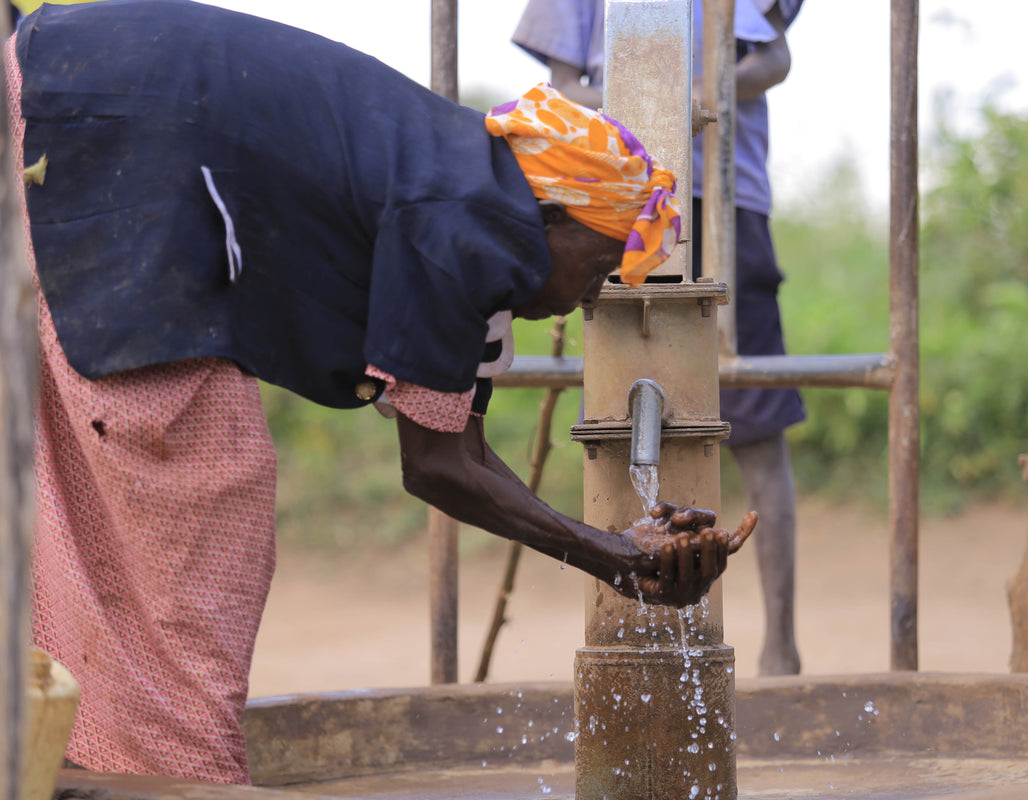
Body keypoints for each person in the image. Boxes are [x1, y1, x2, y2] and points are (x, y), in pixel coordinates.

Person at [8, 0, 758, 785]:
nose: (584, 299)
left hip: (80, 87)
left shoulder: (483, 209)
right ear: (551, 218)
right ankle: (179, 775)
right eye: (596, 269)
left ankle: (76, 751)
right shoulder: (467, 221)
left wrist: (617, 551)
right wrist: (611, 556)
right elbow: (432, 464)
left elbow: (456, 449)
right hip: (97, 110)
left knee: (83, 495)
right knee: (200, 487)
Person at [512, 0, 807, 677]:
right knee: (622, 412)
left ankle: (781, 648)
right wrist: (648, 104)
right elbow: (559, 89)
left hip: (724, 200)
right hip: (613, 202)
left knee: (757, 422)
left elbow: (775, 58)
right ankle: (624, 639)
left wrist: (702, 95)